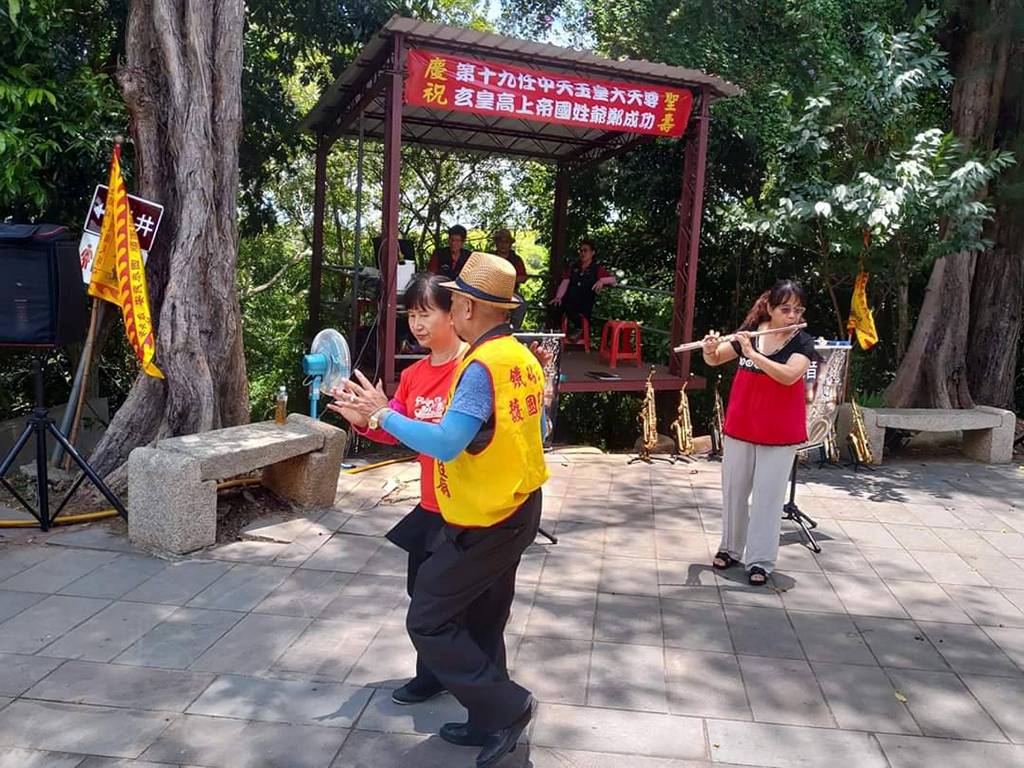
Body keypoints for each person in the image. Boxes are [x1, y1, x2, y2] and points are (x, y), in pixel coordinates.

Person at [340, 252, 547, 768]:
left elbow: (448, 443)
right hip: (516, 503)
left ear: (470, 308)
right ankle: (486, 720)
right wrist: (380, 417)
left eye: (451, 303)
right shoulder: (520, 357)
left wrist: (383, 414)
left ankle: (508, 707)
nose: (448, 311)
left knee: (429, 616)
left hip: (488, 515)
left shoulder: (480, 367)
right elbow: (534, 429)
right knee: (484, 616)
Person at [327, 274, 466, 706]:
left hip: (468, 507)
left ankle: (474, 678)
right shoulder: (414, 374)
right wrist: (365, 420)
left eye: (427, 314)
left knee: (454, 601)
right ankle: (434, 675)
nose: (417, 324)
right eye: (412, 315)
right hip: (430, 505)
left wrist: (384, 415)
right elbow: (395, 427)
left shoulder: (473, 370)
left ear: (454, 314)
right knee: (421, 594)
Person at [700, 279, 816, 586]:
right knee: (734, 492)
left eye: (798, 310)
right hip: (741, 424)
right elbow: (715, 359)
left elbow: (789, 376)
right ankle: (730, 549)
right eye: (786, 309)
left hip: (779, 432)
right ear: (770, 308)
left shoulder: (803, 342)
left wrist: (753, 354)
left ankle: (760, 561)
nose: (792, 316)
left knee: (768, 498)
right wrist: (709, 349)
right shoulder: (751, 332)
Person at [549, 238, 616, 341]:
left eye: (585, 250)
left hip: (585, 301)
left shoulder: (597, 269)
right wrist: (558, 297)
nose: (582, 253)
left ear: (592, 253)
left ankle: (578, 328)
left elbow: (613, 280)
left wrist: (602, 281)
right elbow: (565, 281)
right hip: (570, 299)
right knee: (554, 306)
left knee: (571, 308)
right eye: (581, 251)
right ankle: (556, 334)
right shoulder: (574, 267)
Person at [493, 228, 528, 330]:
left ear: (510, 244)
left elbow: (523, 277)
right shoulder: (490, 257)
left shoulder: (516, 259)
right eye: (501, 241)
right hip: (491, 291)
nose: (503, 244)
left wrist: (508, 279)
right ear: (496, 243)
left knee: (522, 304)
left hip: (511, 293)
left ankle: (513, 329)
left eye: (506, 242)